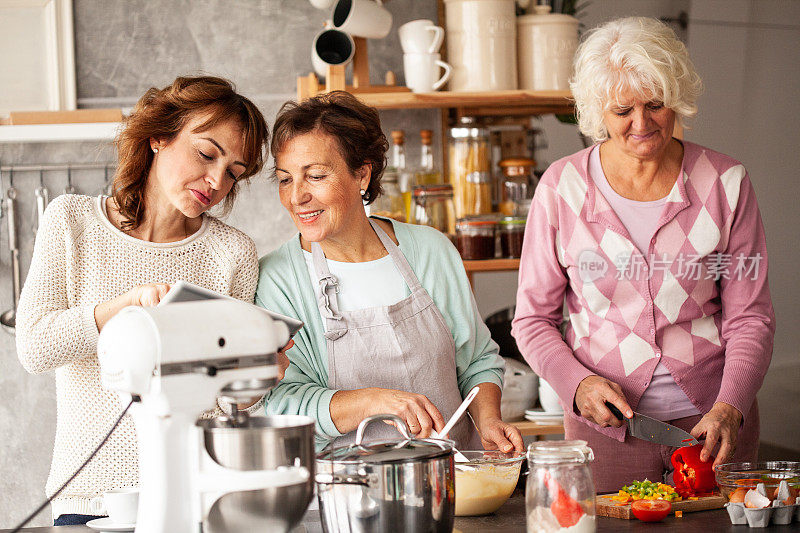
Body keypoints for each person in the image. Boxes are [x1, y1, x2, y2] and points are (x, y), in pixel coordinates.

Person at [512, 17, 775, 492]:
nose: (642, 123)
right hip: (605, 430)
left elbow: (750, 318)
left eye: (655, 104)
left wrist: (730, 405)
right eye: (621, 110)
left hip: (713, 425)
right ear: (597, 112)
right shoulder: (561, 188)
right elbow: (532, 320)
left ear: (675, 96)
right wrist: (576, 384)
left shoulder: (725, 183)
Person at [16, 75, 269, 525]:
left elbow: (226, 403)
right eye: (207, 153)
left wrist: (256, 379)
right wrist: (123, 309)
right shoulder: (71, 222)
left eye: (233, 172)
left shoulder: (232, 253)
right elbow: (34, 348)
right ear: (158, 136)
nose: (216, 180)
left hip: (197, 500)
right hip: (89, 504)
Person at [256, 91, 523, 452]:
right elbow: (282, 402)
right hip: (343, 491)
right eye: (285, 179)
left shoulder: (430, 250)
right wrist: (373, 402)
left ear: (362, 175)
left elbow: (476, 360)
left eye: (315, 176)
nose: (296, 197)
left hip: (450, 479)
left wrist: (489, 419)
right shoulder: (277, 279)